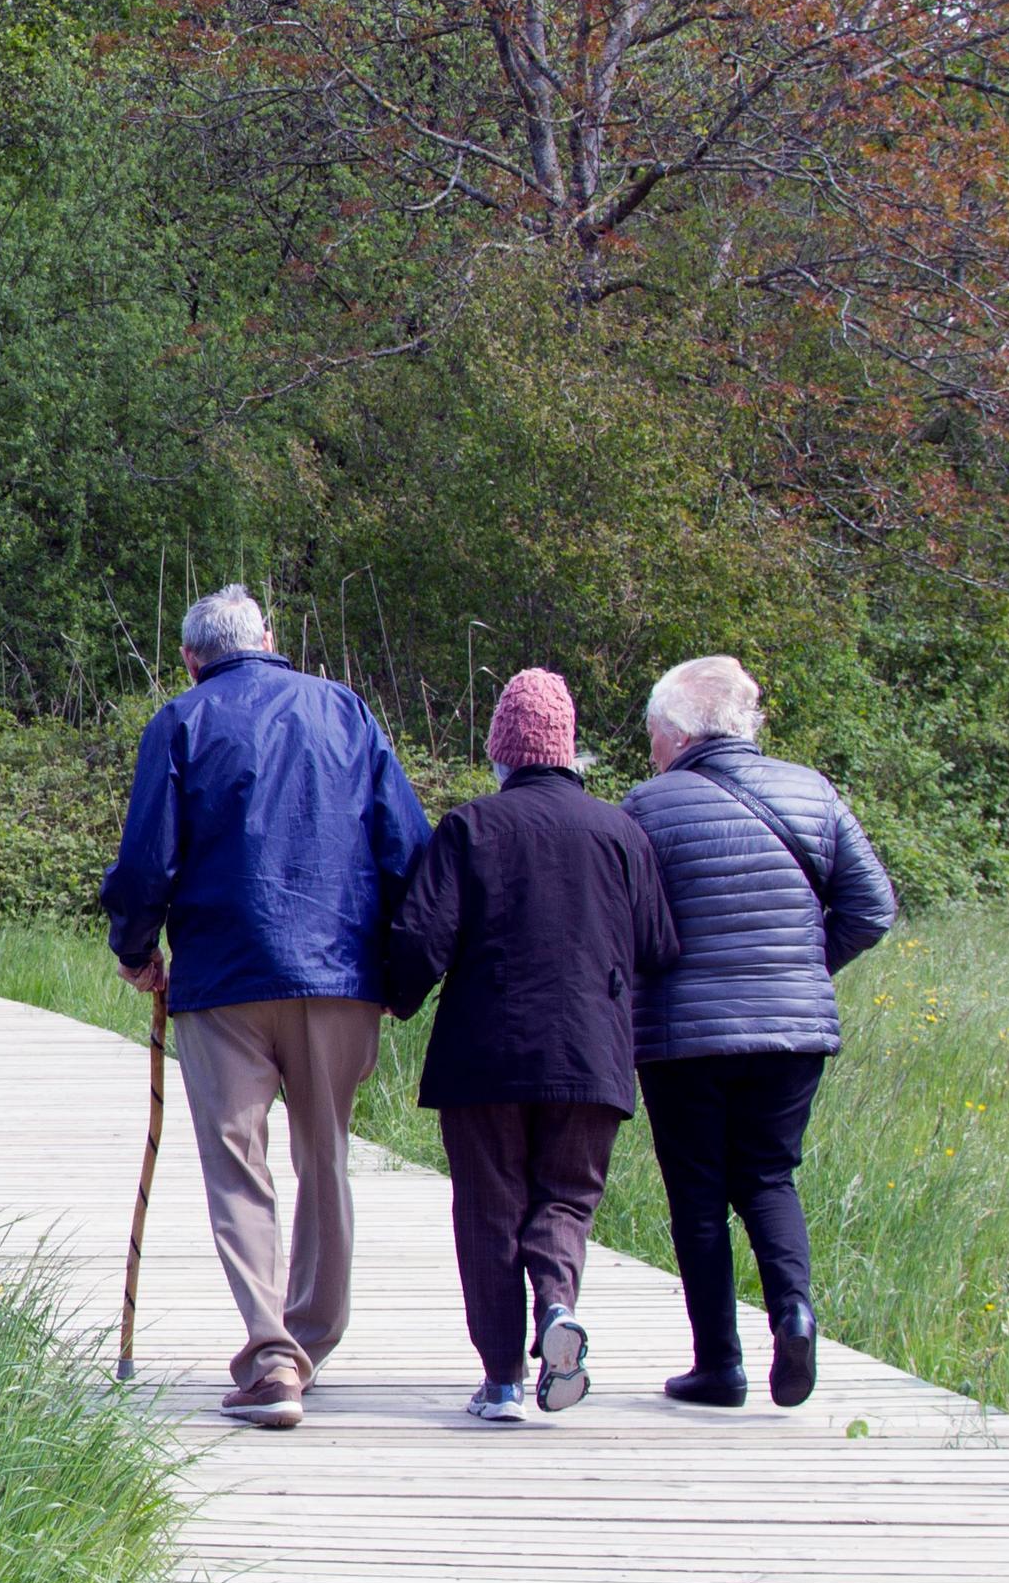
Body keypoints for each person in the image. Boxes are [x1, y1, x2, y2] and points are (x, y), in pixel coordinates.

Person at [100, 584, 433, 1430]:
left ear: (190, 657)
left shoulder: (180, 721)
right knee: (325, 1157)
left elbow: (147, 861)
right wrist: (399, 974)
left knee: (237, 1166)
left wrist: (137, 950)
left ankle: (272, 1354)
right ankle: (309, 1340)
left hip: (224, 980)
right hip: (337, 975)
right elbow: (408, 848)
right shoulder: (346, 711)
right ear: (272, 639)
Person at [377, 670, 680, 1423]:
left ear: (501, 752)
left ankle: (504, 1380)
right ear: (570, 751)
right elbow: (657, 946)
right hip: (590, 1054)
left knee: (489, 1208)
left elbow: (421, 937)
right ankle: (556, 1308)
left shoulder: (472, 827)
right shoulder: (622, 834)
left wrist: (397, 998)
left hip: (486, 1055)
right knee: (566, 1200)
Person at [624, 654, 898, 1409]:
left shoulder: (648, 807)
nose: (649, 745)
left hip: (686, 1035)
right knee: (769, 1177)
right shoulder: (813, 792)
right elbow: (872, 909)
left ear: (678, 734)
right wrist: (801, 970)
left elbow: (626, 927)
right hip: (793, 1031)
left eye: (652, 731)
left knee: (699, 1194)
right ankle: (794, 1313)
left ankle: (719, 1364)